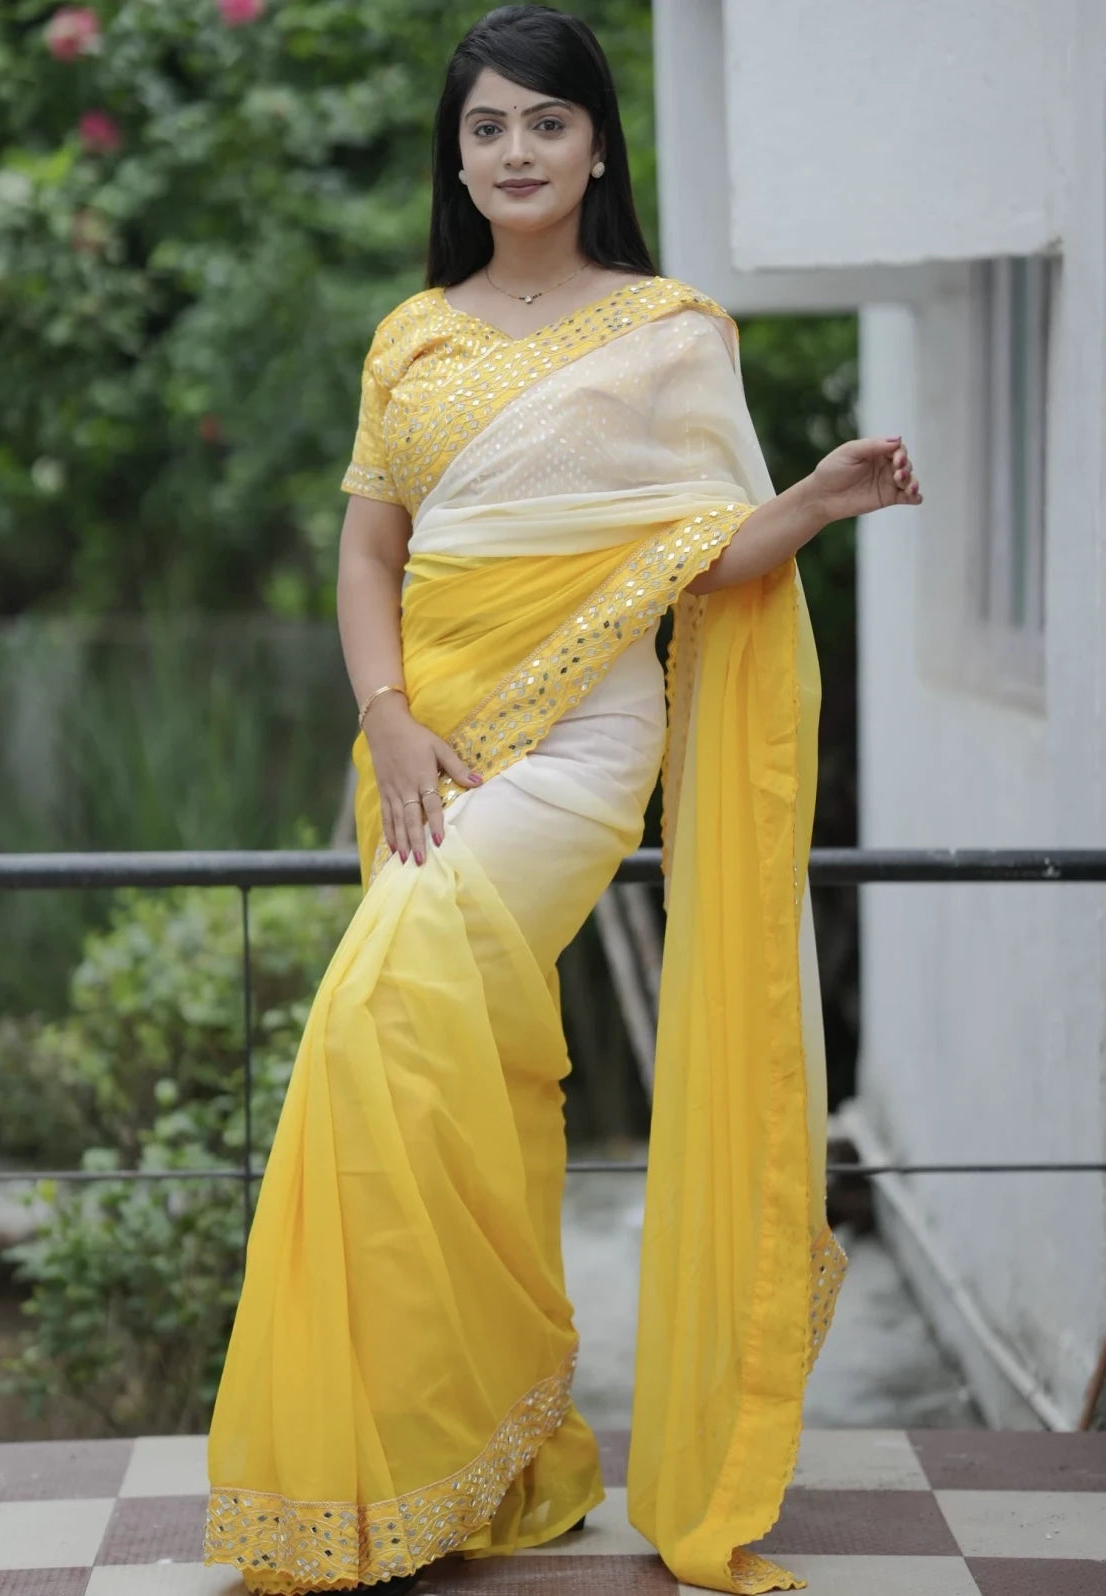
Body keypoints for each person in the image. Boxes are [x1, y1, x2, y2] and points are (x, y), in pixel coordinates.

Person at [202, 6, 922, 1593]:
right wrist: (384, 718)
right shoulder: (414, 333)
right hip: (421, 743)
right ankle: (472, 1455)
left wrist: (804, 502)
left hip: (588, 741)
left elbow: (699, 555)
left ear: (598, 141)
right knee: (417, 1067)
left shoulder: (672, 331)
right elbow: (368, 551)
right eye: (484, 129)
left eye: (544, 123)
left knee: (379, 1013)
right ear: (453, 156)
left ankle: (454, 1426)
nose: (513, 152)